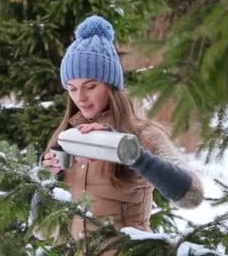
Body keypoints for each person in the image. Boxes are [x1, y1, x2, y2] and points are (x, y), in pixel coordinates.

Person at [41, 15, 204, 243]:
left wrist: (132, 153)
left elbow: (192, 196)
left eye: (90, 86)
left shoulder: (143, 134)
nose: (81, 98)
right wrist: (47, 176)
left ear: (111, 85)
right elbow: (42, 229)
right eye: (72, 88)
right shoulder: (67, 138)